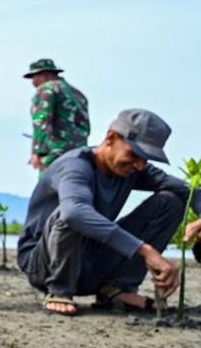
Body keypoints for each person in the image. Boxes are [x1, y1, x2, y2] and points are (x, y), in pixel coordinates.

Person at [17, 109, 200, 316]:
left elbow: (189, 191)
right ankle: (60, 290)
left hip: (90, 266)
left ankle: (116, 288)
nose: (139, 165)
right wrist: (145, 250)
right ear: (111, 137)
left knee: (171, 201)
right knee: (76, 212)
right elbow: (73, 213)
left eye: (146, 159)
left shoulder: (134, 169)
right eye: (134, 154)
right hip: (45, 266)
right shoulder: (75, 166)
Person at [25, 58, 89, 171]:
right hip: (79, 154)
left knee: (49, 187)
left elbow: (41, 121)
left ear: (46, 74)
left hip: (54, 154)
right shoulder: (77, 94)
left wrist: (38, 152)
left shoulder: (47, 89)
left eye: (34, 76)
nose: (33, 82)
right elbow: (85, 126)